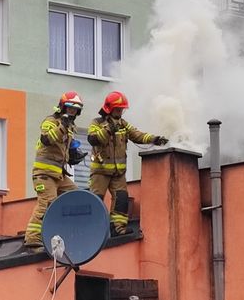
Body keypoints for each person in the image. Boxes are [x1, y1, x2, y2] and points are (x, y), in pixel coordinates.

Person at [86, 91, 168, 236]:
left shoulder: (123, 124)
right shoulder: (97, 123)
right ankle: (92, 230)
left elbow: (137, 135)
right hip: (101, 171)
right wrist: (108, 129)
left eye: (122, 109)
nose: (120, 112)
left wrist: (154, 139)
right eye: (118, 109)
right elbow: (93, 139)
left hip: (118, 173)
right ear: (109, 108)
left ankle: (117, 228)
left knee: (122, 199)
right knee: (95, 201)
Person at [23, 91, 85, 250]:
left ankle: (66, 231)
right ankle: (32, 238)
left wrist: (73, 155)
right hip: (43, 174)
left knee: (76, 197)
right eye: (70, 107)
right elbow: (47, 139)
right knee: (47, 203)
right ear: (63, 106)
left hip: (58, 174)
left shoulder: (70, 127)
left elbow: (62, 148)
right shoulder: (51, 121)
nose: (72, 111)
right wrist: (62, 127)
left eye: (75, 109)